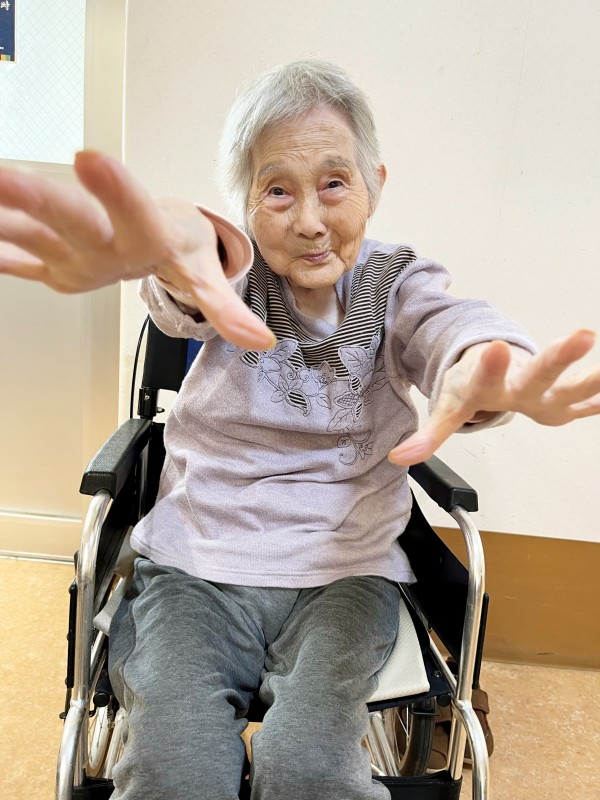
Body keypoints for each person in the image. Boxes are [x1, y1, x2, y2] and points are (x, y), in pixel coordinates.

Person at [1, 60, 599, 800]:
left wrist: (486, 368)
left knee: (309, 766)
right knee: (174, 769)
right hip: (197, 566)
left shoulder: (394, 283)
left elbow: (452, 325)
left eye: (335, 184)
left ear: (375, 184)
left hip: (345, 575)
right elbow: (191, 278)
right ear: (246, 206)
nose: (310, 220)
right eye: (277, 190)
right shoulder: (234, 275)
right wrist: (178, 251)